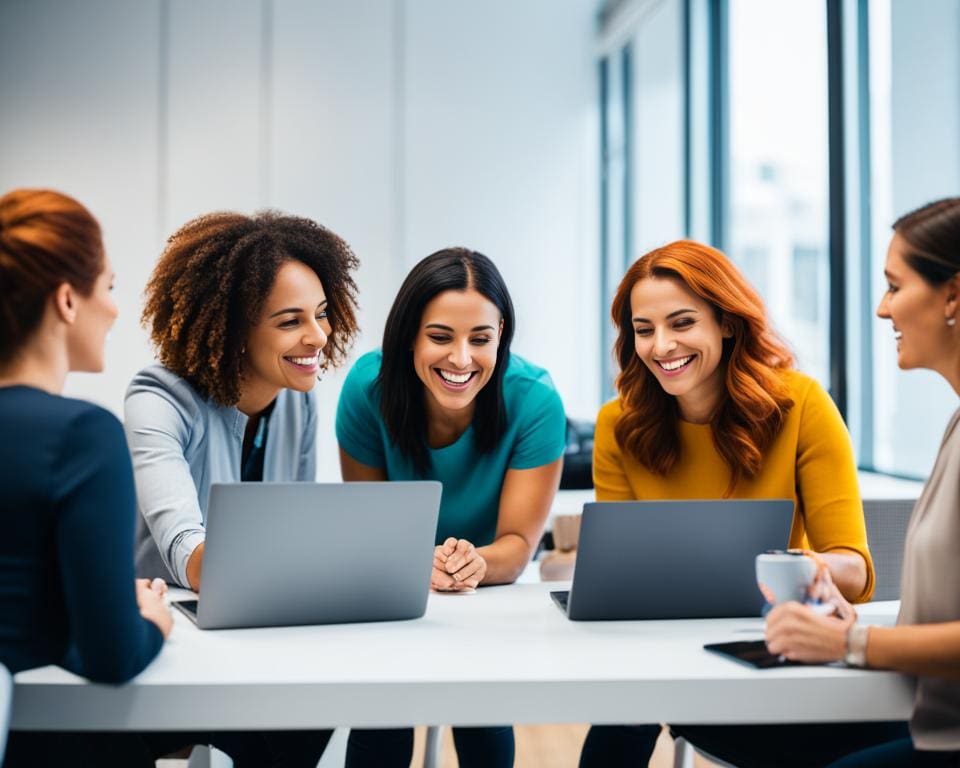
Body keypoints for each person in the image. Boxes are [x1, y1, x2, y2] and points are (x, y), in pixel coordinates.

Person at [579, 239, 901, 767]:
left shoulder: (801, 405)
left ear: (726, 323)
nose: (661, 346)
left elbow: (854, 567)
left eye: (682, 323)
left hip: (772, 651)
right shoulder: (619, 424)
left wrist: (798, 570)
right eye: (644, 329)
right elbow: (618, 570)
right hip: (664, 651)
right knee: (627, 707)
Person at [127, 210, 361, 766]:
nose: (318, 337)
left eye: (323, 314)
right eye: (290, 322)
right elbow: (187, 548)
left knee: (313, 710)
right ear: (235, 330)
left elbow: (295, 530)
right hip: (164, 644)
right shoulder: (157, 400)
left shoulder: (299, 399)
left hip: (257, 639)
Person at [336, 247, 567, 768]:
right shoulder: (366, 390)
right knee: (381, 712)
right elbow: (370, 534)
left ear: (501, 333)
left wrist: (475, 564)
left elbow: (517, 545)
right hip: (392, 587)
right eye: (440, 337)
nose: (461, 359)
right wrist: (420, 566)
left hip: (484, 595)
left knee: (483, 711)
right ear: (410, 334)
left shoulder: (534, 400)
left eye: (480, 339)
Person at [765, 197, 960, 768]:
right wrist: (846, 625)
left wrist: (851, 643)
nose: (882, 309)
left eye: (895, 287)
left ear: (953, 295)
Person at [0, 188, 171, 766]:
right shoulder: (83, 436)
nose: (116, 308)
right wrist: (150, 619)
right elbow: (112, 656)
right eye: (110, 287)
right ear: (67, 301)